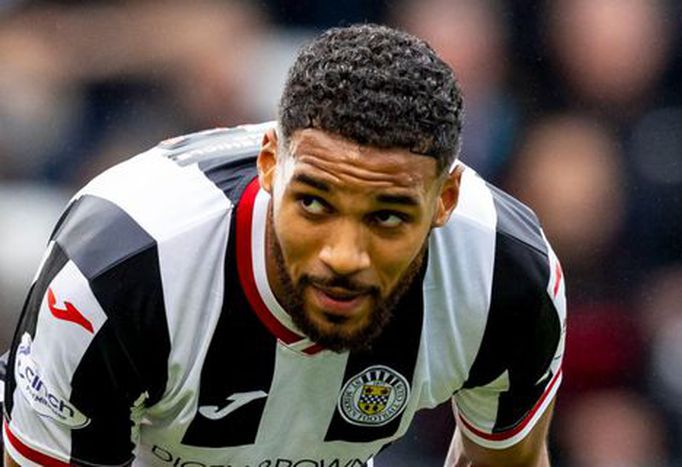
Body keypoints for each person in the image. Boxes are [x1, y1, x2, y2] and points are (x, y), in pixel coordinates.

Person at [1, 24, 566, 466]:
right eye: (314, 204)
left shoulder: (506, 276)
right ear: (270, 163)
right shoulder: (123, 272)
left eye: (388, 217)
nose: (344, 256)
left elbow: (507, 460)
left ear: (445, 200)